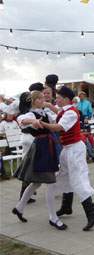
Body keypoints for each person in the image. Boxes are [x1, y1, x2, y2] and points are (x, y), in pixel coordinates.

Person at [40, 86, 94, 231]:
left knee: (78, 179)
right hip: (67, 149)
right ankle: (67, 207)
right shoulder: (66, 110)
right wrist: (48, 105)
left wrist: (41, 123)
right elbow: (59, 113)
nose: (57, 99)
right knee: (65, 177)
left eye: (59, 97)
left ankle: (92, 213)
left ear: (66, 99)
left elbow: (58, 127)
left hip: (75, 149)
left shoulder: (72, 113)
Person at [12, 91, 66, 230]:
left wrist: (49, 105)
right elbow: (21, 120)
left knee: (36, 183)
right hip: (41, 149)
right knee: (50, 183)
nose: (44, 99)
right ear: (34, 101)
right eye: (41, 98)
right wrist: (33, 121)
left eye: (44, 98)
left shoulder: (45, 113)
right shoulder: (31, 114)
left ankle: (19, 207)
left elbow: (59, 116)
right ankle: (53, 217)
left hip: (48, 147)